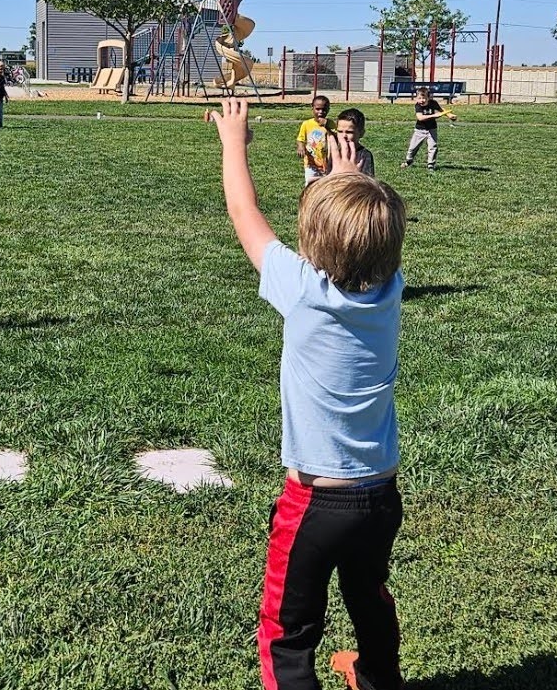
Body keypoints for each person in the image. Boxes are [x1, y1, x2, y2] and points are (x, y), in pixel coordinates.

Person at [211, 98, 407, 690]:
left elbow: (245, 212)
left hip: (315, 505)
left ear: (312, 244)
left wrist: (232, 142)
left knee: (286, 629)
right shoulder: (391, 288)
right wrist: (348, 178)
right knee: (368, 596)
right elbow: (362, 237)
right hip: (380, 496)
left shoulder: (302, 290)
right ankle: (377, 678)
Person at [400, 86, 455, 171]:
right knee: (413, 147)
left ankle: (430, 165)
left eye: (424, 98)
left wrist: (449, 115)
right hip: (420, 130)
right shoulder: (418, 106)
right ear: (416, 98)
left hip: (432, 129)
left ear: (428, 98)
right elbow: (420, 118)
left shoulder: (433, 103)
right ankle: (409, 160)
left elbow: (441, 110)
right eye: (419, 98)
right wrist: (434, 115)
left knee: (433, 147)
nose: (421, 100)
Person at [296, 94, 335, 185]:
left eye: (324, 109)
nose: (321, 112)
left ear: (328, 109)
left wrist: (327, 126)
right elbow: (300, 139)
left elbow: (337, 137)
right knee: (310, 186)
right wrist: (300, 147)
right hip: (311, 163)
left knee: (326, 186)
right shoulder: (306, 124)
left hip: (327, 163)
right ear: (312, 108)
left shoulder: (331, 123)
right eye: (317, 109)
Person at [335, 108, 375, 177]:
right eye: (340, 131)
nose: (344, 136)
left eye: (349, 132)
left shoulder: (364, 155)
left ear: (361, 133)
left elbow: (368, 183)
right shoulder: (335, 153)